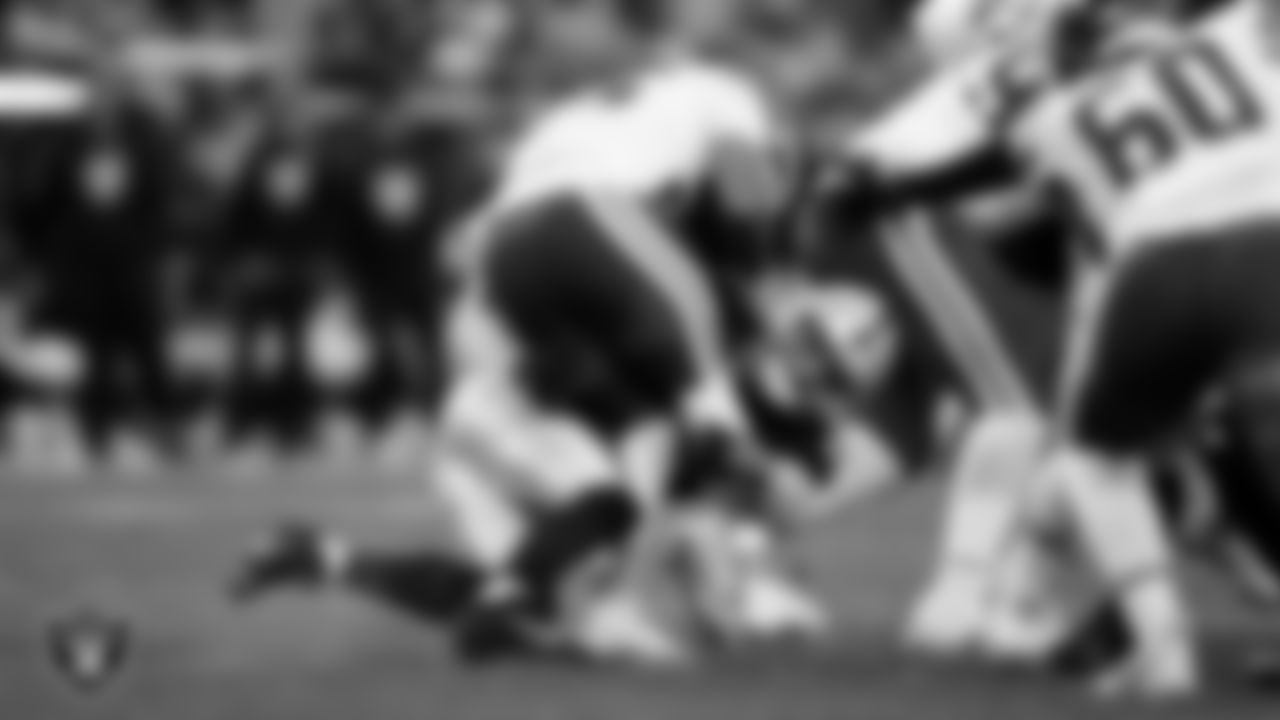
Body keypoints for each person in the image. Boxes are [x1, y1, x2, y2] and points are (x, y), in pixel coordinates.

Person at [837, 0, 1280, 698]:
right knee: (1222, 455)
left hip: (1153, 273)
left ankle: (1158, 642)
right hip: (1263, 246)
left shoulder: (1054, 118)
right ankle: (1039, 602)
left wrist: (887, 186)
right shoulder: (1239, 41)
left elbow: (997, 202)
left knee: (1098, 461)